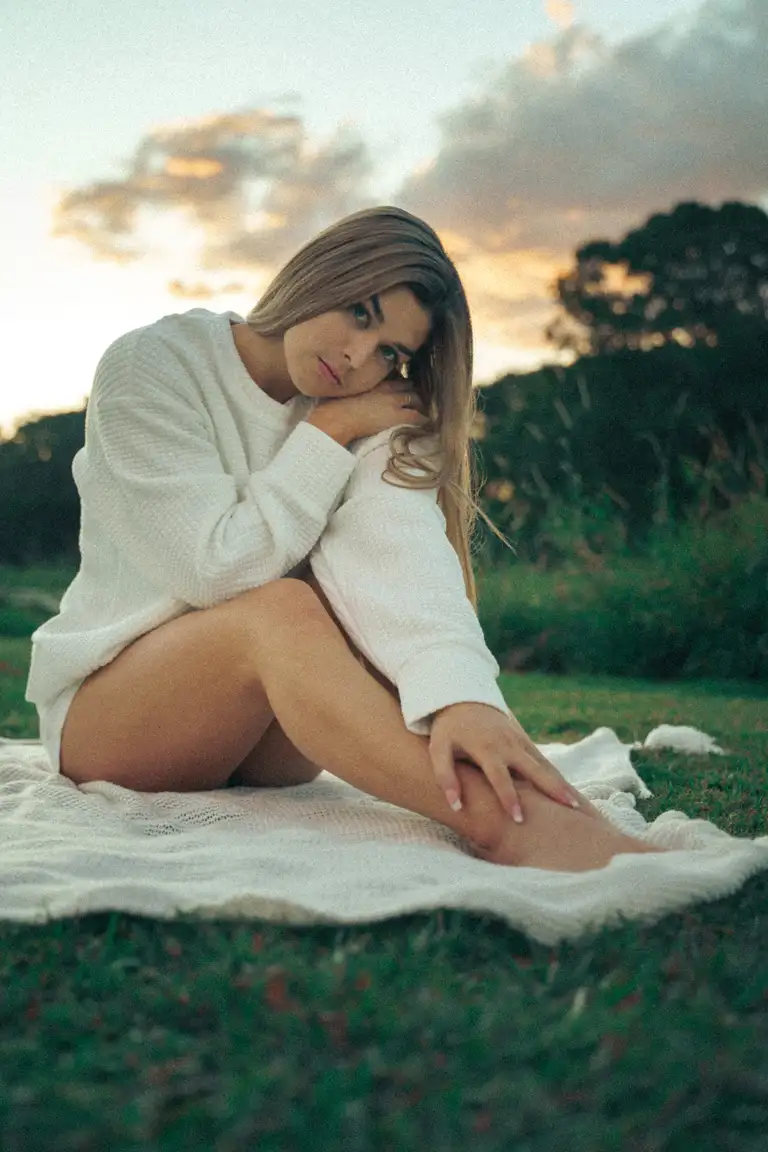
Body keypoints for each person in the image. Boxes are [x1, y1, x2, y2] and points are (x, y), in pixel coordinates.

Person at [25, 205, 661, 872]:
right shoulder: (152, 365)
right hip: (113, 723)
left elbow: (400, 554)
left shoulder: (373, 404)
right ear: (323, 274)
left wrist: (464, 698)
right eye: (360, 312)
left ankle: (521, 794)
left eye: (392, 351)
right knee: (280, 607)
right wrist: (326, 435)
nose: (360, 357)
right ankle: (502, 823)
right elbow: (213, 566)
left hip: (265, 748)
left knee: (354, 599)